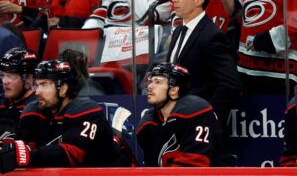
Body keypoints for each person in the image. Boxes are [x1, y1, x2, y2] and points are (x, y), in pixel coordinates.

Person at [0, 60, 133, 174]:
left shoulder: (87, 111)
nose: (38, 91)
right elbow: (24, 146)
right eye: (37, 85)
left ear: (63, 89)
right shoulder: (32, 112)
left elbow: (71, 154)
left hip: (112, 171)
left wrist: (28, 155)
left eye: (45, 84)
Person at [166, 0, 241, 129]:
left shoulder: (212, 35)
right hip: (176, 121)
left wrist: (207, 116)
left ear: (198, 0)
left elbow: (230, 84)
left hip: (199, 127)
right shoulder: (178, 31)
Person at [137, 62, 235, 166]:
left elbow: (193, 166)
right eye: (150, 81)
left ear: (174, 91)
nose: (150, 86)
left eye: (158, 82)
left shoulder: (195, 111)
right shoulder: (147, 124)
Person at [0, 47, 38, 136]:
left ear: (29, 78)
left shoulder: (37, 110)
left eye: (11, 76)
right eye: (2, 75)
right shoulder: (2, 101)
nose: (5, 81)